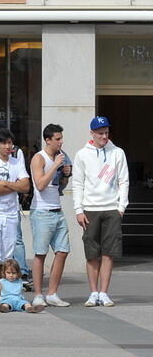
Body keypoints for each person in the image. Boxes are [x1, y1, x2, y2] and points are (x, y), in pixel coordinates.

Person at [71, 115, 130, 307]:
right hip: (90, 209)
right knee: (92, 253)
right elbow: (77, 183)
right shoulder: (82, 155)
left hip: (111, 207)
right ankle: (93, 292)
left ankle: (104, 292)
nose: (104, 136)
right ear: (92, 133)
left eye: (106, 132)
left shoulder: (117, 153)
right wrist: (79, 209)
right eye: (100, 133)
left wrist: (121, 207)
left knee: (108, 253)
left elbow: (124, 180)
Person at [0, 128, 31, 299]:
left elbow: (25, 186)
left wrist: (6, 184)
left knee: (6, 254)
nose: (8, 146)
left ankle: (3, 292)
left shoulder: (16, 163)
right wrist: (12, 185)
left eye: (10, 143)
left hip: (10, 213)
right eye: (4, 143)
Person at [29, 123, 72, 308]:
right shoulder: (39, 158)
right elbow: (40, 184)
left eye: (61, 138)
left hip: (57, 209)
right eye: (57, 139)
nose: (61, 142)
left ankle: (53, 293)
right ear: (48, 140)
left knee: (63, 251)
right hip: (41, 211)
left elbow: (58, 185)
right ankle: (38, 294)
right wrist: (54, 166)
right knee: (40, 254)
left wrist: (65, 175)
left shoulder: (61, 157)